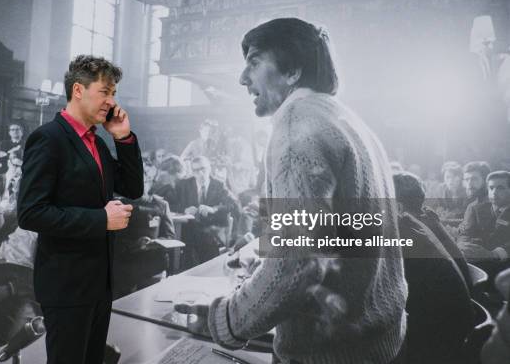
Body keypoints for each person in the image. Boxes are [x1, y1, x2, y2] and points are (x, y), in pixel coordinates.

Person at [176, 18, 407, 364]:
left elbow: (295, 265)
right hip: (376, 341)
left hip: (329, 353)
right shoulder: (345, 119)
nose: (242, 78)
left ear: (293, 71)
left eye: (254, 62)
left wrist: (224, 321)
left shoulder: (296, 121)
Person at [17, 54, 143, 364]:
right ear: (78, 90)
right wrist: (101, 219)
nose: (111, 101)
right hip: (66, 284)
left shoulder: (97, 143)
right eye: (105, 91)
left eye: (114, 93)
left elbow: (133, 188)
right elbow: (31, 212)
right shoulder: (48, 139)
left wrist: (123, 138)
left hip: (98, 282)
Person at [393, 171, 473, 363]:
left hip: (441, 333)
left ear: (398, 206)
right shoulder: (424, 217)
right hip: (461, 311)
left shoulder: (405, 229)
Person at [113, 164, 176, 298]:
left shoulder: (161, 204)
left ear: (148, 181)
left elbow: (170, 237)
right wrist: (136, 244)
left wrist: (156, 243)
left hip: (154, 263)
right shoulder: (117, 205)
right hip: (126, 265)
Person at [175, 156, 239, 266]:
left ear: (209, 169)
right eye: (196, 170)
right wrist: (185, 209)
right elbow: (172, 204)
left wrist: (213, 209)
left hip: (213, 226)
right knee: (186, 242)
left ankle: (207, 271)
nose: (200, 173)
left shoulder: (219, 185)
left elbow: (233, 204)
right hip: (189, 227)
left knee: (203, 241)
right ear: (192, 172)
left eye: (203, 169)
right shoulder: (184, 185)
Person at [459, 171, 510, 275]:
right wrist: (465, 246)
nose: (494, 192)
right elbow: (465, 233)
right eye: (491, 188)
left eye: (500, 188)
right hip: (477, 261)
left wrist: (493, 254)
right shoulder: (476, 209)